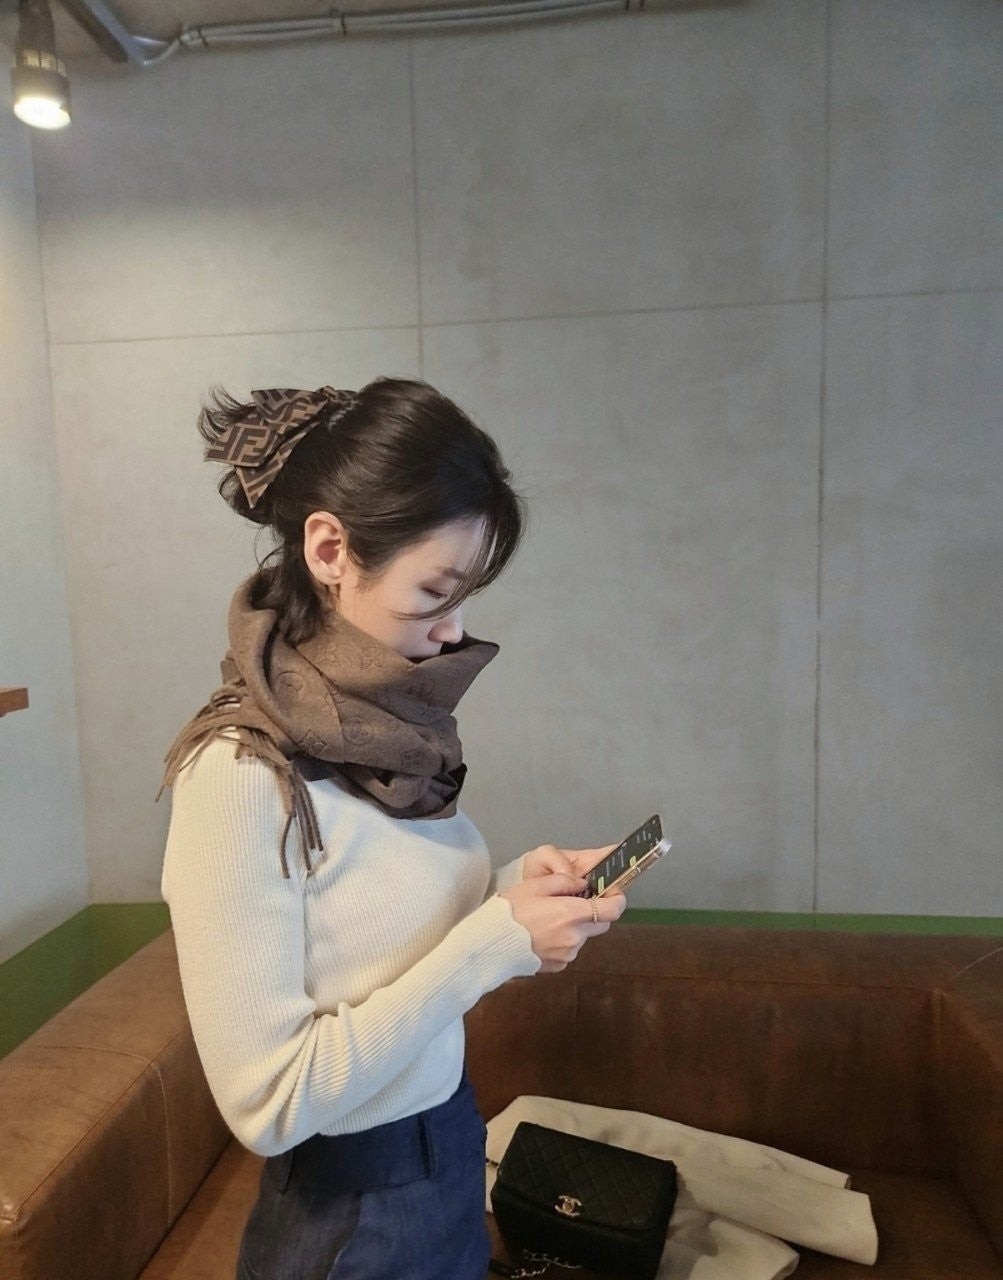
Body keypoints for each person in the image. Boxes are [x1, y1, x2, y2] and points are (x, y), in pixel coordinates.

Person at [158, 377, 626, 1280]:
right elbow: (270, 1103)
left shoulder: (383, 737)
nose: (453, 633)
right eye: (434, 592)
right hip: (350, 1214)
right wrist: (494, 943)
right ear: (330, 549)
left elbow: (377, 946)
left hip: (443, 1145)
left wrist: (519, 893)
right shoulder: (241, 776)